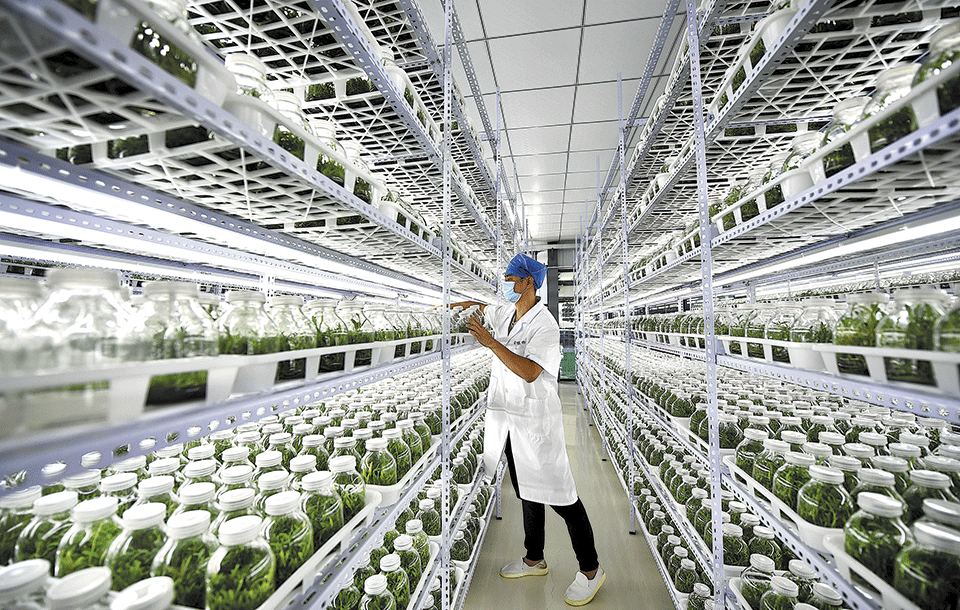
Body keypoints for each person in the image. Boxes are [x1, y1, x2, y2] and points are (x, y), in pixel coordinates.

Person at [448, 252, 605, 607]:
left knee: (563, 498)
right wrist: (456, 303)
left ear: (528, 282)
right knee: (527, 492)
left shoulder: (546, 325)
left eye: (509, 279)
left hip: (537, 425)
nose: (504, 285)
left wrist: (491, 343)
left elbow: (532, 371)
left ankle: (592, 570)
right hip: (509, 421)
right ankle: (534, 558)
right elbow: (483, 306)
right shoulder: (506, 313)